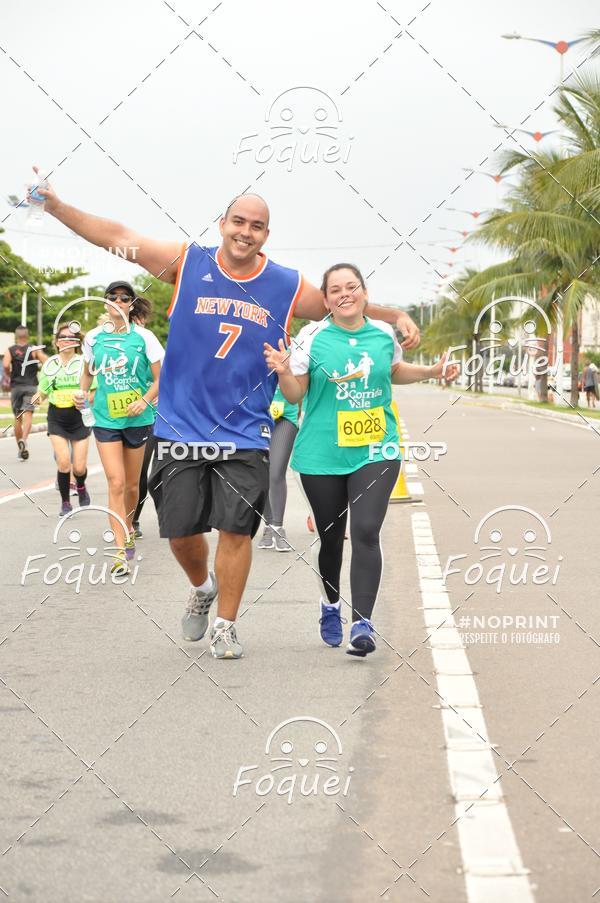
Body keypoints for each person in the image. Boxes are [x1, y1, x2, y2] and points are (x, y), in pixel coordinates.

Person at [38, 173, 420, 659]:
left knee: (237, 529)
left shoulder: (283, 285)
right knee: (180, 535)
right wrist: (56, 208)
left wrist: (392, 314)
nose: (246, 231)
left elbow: (339, 303)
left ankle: (226, 624)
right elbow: (117, 237)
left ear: (266, 234)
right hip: (180, 426)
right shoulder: (187, 263)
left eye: (257, 225)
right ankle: (202, 587)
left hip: (246, 430)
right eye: (238, 221)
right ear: (222, 224)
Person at [264, 264, 458, 657]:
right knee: (332, 538)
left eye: (351, 287)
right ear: (326, 300)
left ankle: (363, 623)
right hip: (322, 454)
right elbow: (296, 394)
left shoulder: (383, 334)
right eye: (335, 290)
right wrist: (284, 372)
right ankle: (331, 605)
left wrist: (434, 371)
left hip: (377, 450)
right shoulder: (311, 336)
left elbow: (394, 371)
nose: (344, 294)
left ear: (365, 293)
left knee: (367, 531)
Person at [75, 283, 163, 573]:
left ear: (131, 305)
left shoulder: (144, 338)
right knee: (115, 482)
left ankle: (129, 524)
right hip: (105, 418)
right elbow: (87, 373)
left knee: (132, 485)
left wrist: (145, 400)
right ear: (105, 302)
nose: (117, 301)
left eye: (124, 298)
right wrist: (82, 394)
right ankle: (119, 549)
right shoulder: (93, 339)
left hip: (138, 419)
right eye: (112, 297)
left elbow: (162, 378)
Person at [33, 325, 92, 516]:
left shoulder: (84, 362)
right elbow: (43, 392)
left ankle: (81, 486)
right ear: (57, 342)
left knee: (80, 467)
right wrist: (37, 399)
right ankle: (66, 502)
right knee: (64, 462)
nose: (66, 340)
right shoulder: (50, 365)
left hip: (79, 418)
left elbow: (94, 391)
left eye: (70, 337)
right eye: (62, 337)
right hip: (57, 417)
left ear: (77, 342)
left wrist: (85, 399)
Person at [257, 384, 298, 552]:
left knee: (276, 471)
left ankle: (278, 527)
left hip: (285, 416)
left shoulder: (291, 356)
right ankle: (268, 525)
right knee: (262, 472)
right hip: (255, 417)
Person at [3, 325, 47, 460]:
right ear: (27, 336)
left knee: (18, 417)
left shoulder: (10, 350)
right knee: (28, 414)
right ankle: (24, 439)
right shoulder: (34, 350)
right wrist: (39, 369)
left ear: (17, 336)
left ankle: (19, 448)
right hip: (31, 386)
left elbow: (5, 365)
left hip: (16, 387)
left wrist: (9, 375)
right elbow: (47, 361)